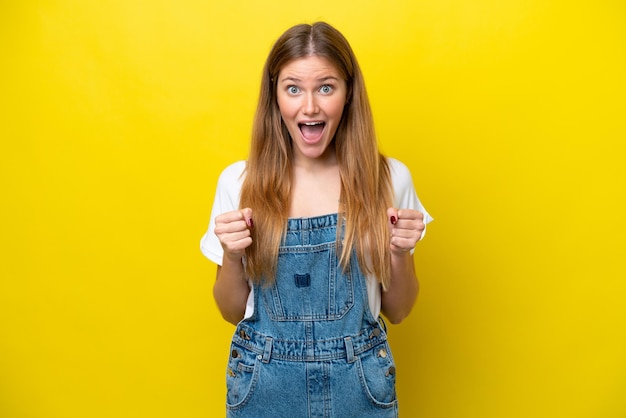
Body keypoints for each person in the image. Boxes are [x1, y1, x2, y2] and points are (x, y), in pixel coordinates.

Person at [200, 21, 432, 418]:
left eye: (326, 87)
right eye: (293, 88)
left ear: (348, 94)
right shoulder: (239, 182)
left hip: (359, 385)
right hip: (265, 385)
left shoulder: (390, 179)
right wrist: (232, 254)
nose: (310, 107)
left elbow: (399, 309)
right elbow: (230, 311)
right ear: (275, 97)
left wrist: (401, 251)